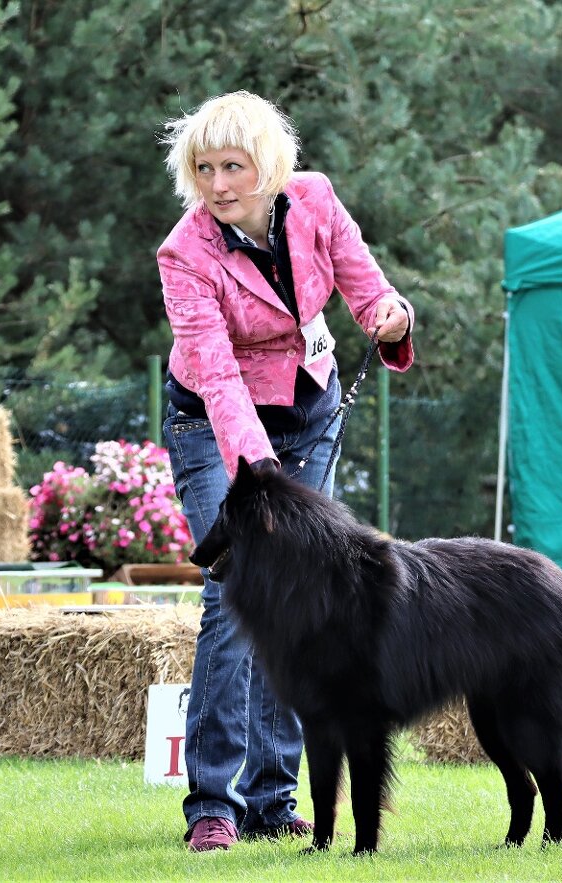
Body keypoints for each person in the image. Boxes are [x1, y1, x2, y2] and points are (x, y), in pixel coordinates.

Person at [157, 91, 415, 852]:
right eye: (204, 168)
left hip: (306, 409)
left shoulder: (315, 201)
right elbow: (213, 370)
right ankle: (213, 802)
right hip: (214, 422)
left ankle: (274, 798)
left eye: (233, 165)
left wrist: (389, 315)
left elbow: (363, 283)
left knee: (305, 603)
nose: (218, 183)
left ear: (268, 165)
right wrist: (256, 472)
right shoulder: (185, 253)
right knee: (235, 594)